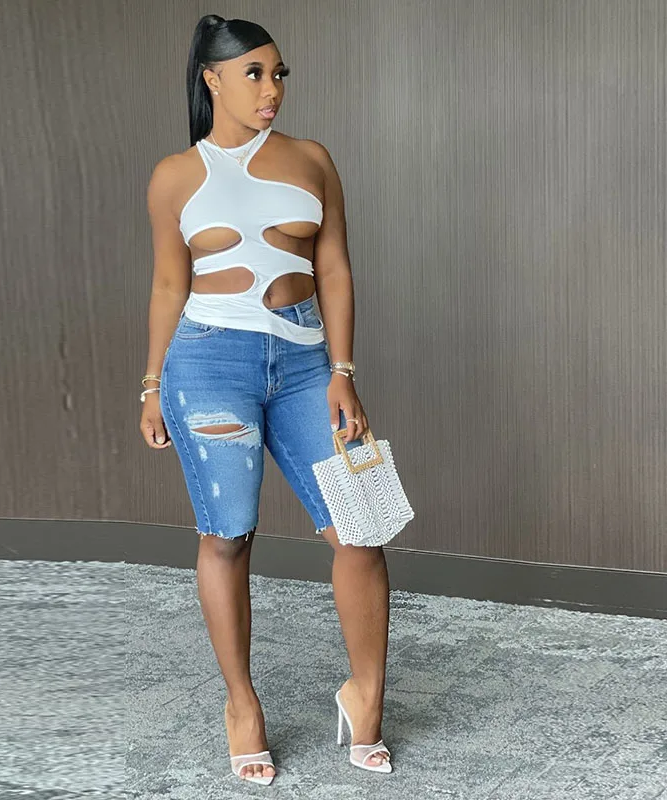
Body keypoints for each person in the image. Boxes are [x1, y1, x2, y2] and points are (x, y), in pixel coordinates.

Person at [140, 13, 394, 786]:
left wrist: (343, 370)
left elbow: (336, 269)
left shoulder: (313, 160)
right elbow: (168, 285)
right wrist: (151, 385)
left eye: (278, 73)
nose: (271, 88)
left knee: (363, 525)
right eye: (253, 73)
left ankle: (366, 696)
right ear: (211, 79)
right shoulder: (175, 176)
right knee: (229, 536)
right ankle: (241, 706)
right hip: (209, 364)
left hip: (308, 364)